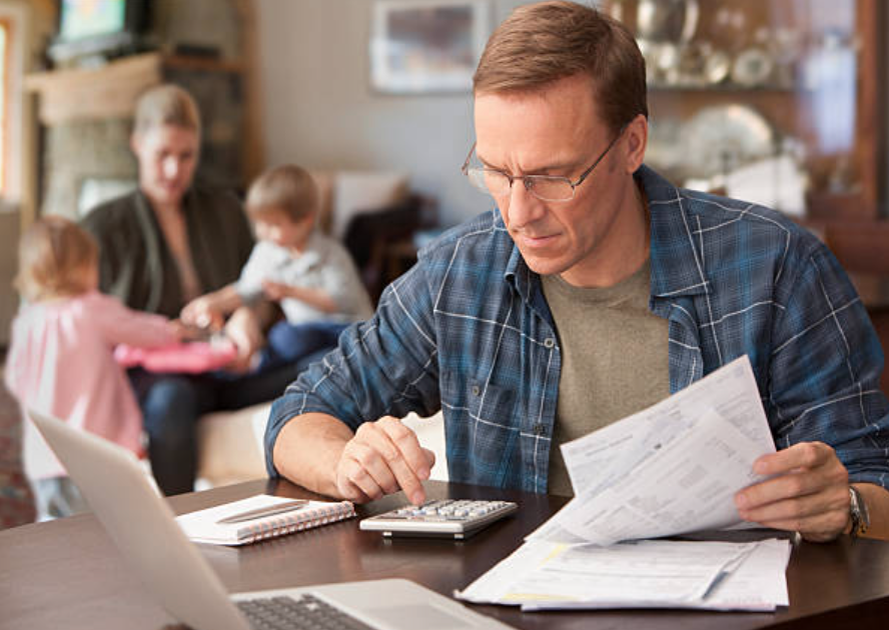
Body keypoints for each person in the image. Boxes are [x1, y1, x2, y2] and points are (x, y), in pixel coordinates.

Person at [265, 1, 889, 542]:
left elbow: (874, 485)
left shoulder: (777, 267)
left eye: (551, 176)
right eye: (497, 172)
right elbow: (299, 413)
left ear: (632, 145)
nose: (517, 212)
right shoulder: (462, 271)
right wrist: (346, 460)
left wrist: (847, 506)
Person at [81, 84, 303, 496]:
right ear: (137, 144)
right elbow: (87, 323)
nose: (173, 171)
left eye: (186, 156)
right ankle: (181, 526)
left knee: (327, 357)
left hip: (229, 366)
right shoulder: (102, 227)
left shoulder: (225, 211)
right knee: (171, 402)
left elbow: (261, 289)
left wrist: (246, 318)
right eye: (162, 155)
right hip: (157, 377)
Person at [4, 217, 183, 520]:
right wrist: (174, 330)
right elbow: (141, 331)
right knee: (104, 534)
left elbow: (14, 379)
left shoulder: (26, 322)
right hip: (95, 455)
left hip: (44, 458)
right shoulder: (90, 309)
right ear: (84, 267)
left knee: (57, 537)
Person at [181, 164, 373, 372]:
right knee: (286, 339)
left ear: (305, 221)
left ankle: (265, 367)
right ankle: (248, 369)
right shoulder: (267, 252)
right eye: (259, 224)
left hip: (345, 328)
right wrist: (212, 302)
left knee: (288, 337)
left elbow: (340, 300)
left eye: (273, 225)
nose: (263, 232)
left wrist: (290, 291)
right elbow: (246, 289)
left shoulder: (331, 254)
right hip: (307, 333)